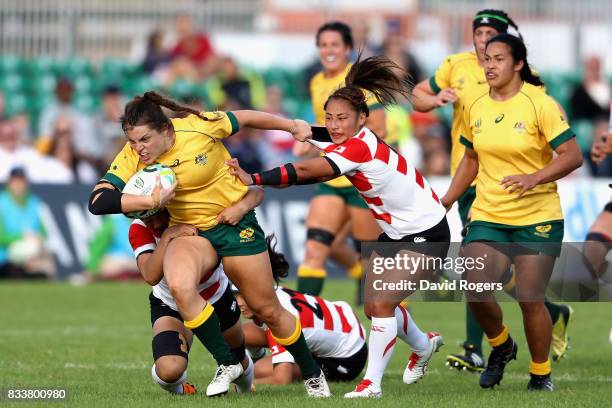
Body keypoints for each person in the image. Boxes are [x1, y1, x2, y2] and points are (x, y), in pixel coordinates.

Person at [227, 55, 446, 398]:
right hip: (397, 232)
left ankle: (370, 384)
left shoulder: (358, 147)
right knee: (376, 306)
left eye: (342, 118)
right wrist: (303, 129)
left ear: (363, 118)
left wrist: (255, 177)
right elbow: (327, 138)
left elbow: (309, 172)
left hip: (428, 233)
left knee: (382, 305)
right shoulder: (354, 139)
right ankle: (423, 344)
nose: (334, 124)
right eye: (329, 117)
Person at [87, 91, 331, 397]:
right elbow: (98, 200)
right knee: (179, 286)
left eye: (145, 140)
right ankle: (228, 362)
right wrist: (149, 200)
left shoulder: (198, 126)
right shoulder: (132, 155)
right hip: (191, 233)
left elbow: (246, 117)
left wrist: (291, 126)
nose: (139, 148)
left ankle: (312, 373)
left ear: (167, 130)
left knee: (266, 309)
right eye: (133, 141)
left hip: (234, 224)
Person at [411, 9, 574, 370]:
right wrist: (435, 101)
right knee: (479, 274)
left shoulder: (535, 94)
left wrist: (536, 176)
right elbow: (418, 98)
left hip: (525, 199)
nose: (483, 43)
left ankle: (508, 354)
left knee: (507, 283)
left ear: (515, 60)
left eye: (491, 37)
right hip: (473, 185)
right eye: (478, 34)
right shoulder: (456, 68)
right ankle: (494, 341)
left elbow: (563, 141)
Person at [440, 33, 583, 391]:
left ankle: (540, 373)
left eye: (498, 59)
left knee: (530, 299)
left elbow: (572, 156)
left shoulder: (540, 104)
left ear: (518, 64)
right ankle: (502, 346)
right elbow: (470, 160)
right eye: (486, 59)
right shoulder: (476, 104)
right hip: (488, 212)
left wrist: (534, 177)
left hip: (538, 216)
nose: (489, 65)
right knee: (475, 287)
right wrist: (444, 200)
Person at [129, 186, 264, 395]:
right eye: (149, 219)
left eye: (159, 216)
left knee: (239, 362)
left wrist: (241, 207)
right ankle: (183, 389)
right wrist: (167, 237)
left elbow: (255, 191)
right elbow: (149, 274)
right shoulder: (139, 228)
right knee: (169, 370)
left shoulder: (197, 210)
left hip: (215, 297)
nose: (155, 224)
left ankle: (246, 379)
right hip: (170, 304)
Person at [296, 21, 385, 299]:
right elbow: (331, 131)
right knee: (315, 248)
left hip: (361, 176)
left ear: (347, 47)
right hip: (332, 176)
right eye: (323, 45)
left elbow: (379, 128)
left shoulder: (358, 79)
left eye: (335, 44)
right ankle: (304, 323)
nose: (328, 50)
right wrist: (310, 142)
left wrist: (321, 139)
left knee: (370, 256)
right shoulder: (316, 82)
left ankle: (387, 325)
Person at [236, 236, 367, 385]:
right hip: (345, 323)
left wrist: (245, 384)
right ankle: (259, 357)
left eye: (243, 296)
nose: (239, 303)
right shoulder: (272, 294)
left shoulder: (279, 317)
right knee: (240, 333)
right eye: (236, 295)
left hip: (349, 356)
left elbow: (281, 380)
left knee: (260, 370)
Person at [0, 167, 56, 279]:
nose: (19, 185)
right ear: (10, 182)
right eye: (16, 181)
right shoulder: (2, 202)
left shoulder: (34, 202)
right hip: (6, 257)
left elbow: (43, 231)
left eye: (22, 181)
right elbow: (2, 238)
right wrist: (23, 236)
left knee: (46, 261)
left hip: (32, 254)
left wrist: (37, 238)